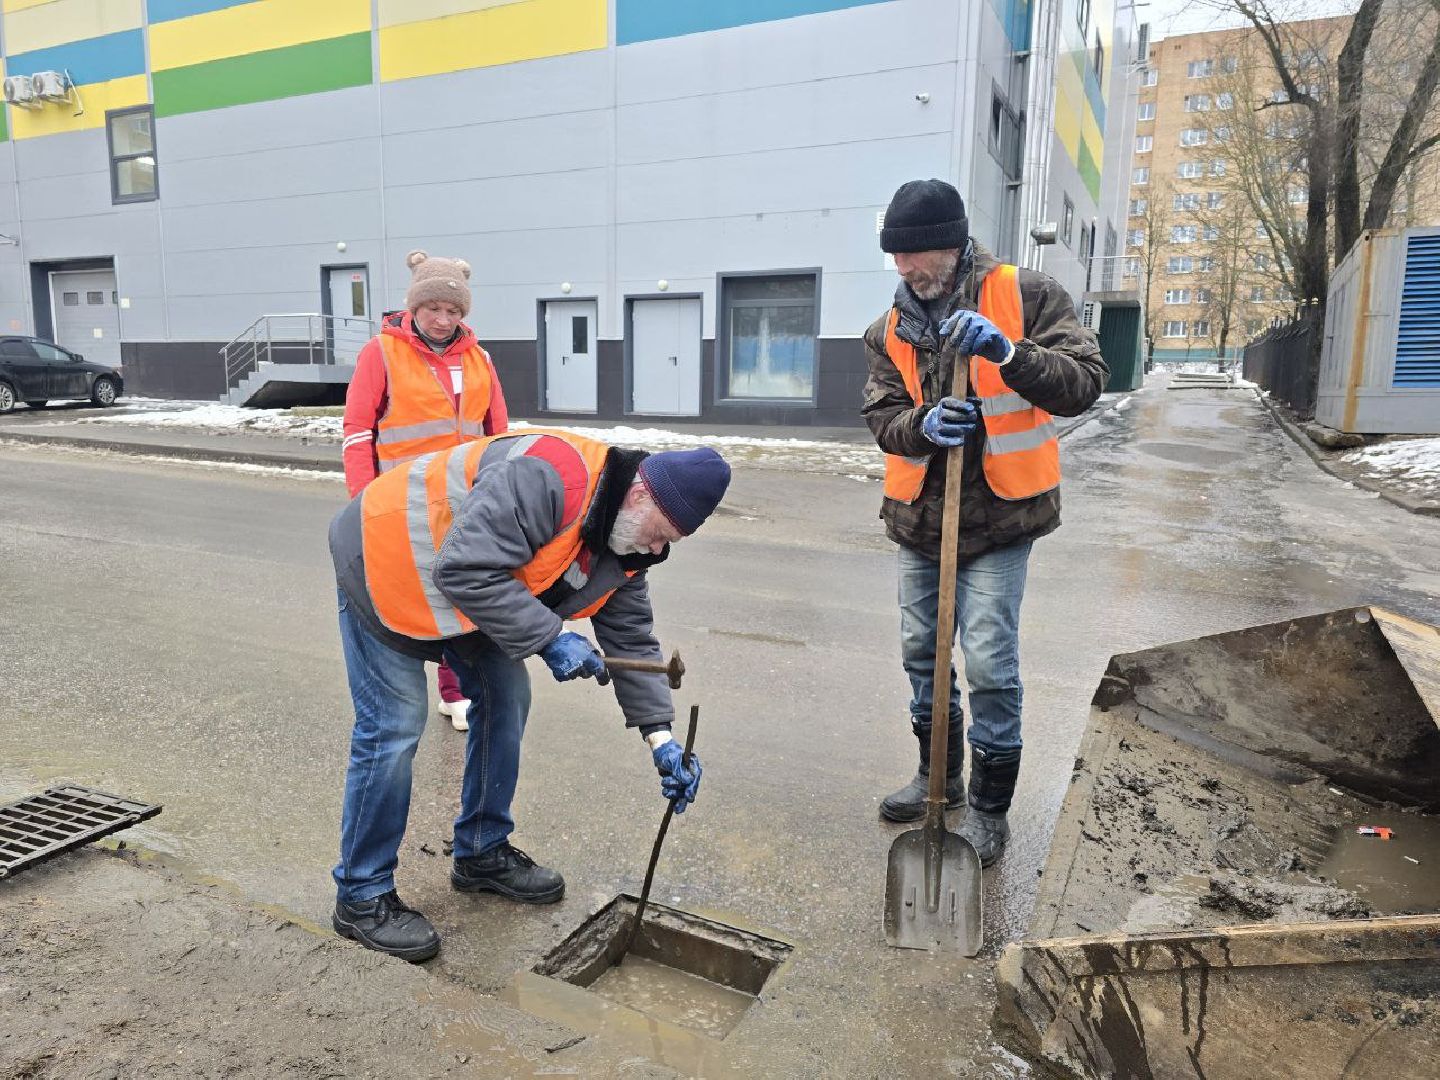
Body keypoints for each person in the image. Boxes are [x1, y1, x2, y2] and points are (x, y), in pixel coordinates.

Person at [328, 429, 731, 962]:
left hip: (478, 590)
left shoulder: (627, 545)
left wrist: (661, 741)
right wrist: (551, 637)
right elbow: (463, 567)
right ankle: (361, 894)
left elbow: (632, 640)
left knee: (506, 698)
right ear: (639, 496)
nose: (659, 549)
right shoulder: (551, 477)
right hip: (387, 561)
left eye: (670, 544)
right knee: (396, 725)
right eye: (662, 534)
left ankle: (481, 851)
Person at [863, 179, 1108, 865]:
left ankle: (991, 810)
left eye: (916, 257)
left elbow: (1087, 383)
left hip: (1001, 517)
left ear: (952, 243)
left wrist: (1010, 354)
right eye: (897, 260)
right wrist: (922, 425)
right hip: (920, 519)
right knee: (922, 653)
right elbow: (883, 417)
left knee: (991, 662)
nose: (907, 271)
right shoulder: (889, 328)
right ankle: (937, 780)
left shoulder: (1025, 295)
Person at [342, 250, 509, 733]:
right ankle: (408, 693)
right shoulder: (382, 352)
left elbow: (497, 432)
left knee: (463, 592)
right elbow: (358, 431)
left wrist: (500, 490)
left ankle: (454, 692)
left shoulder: (480, 358)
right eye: (433, 308)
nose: (443, 319)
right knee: (410, 593)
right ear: (414, 307)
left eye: (454, 311)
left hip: (467, 499)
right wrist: (363, 499)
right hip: (402, 501)